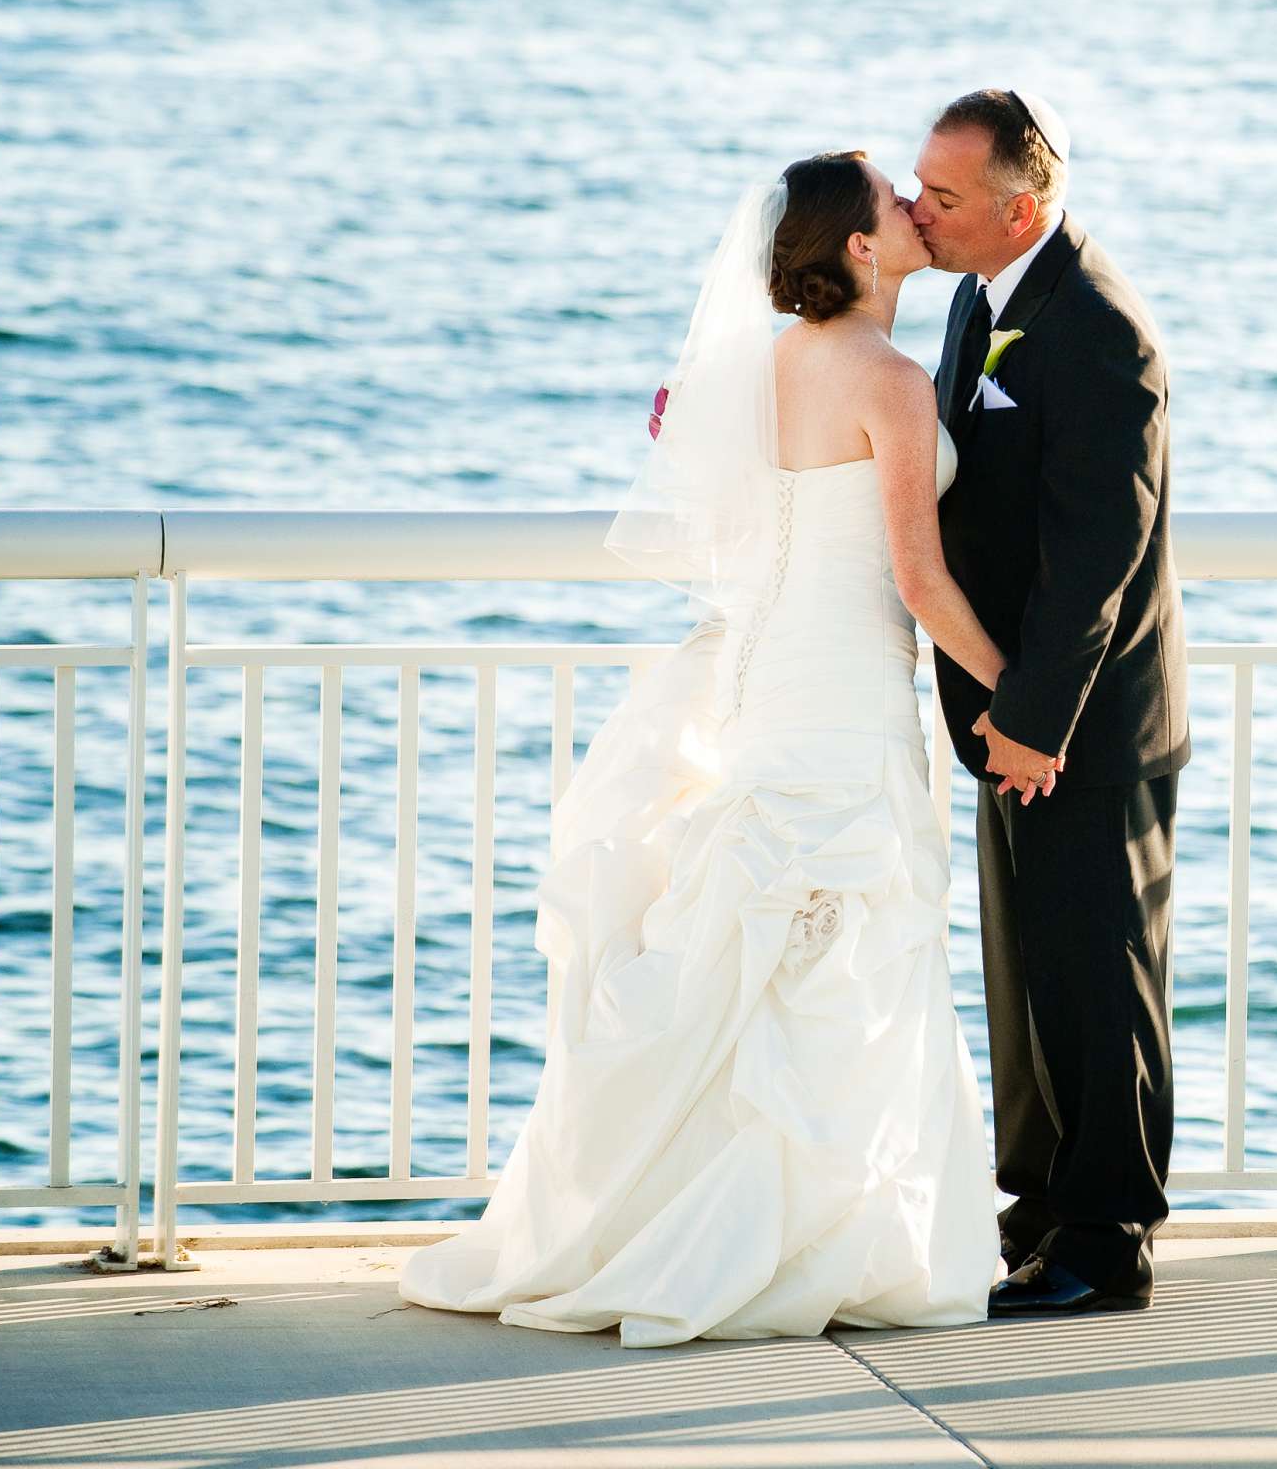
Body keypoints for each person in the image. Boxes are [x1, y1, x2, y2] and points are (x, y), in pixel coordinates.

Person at [398, 152, 1008, 1346]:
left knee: (758, 950)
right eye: (895, 200)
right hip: (841, 692)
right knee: (839, 956)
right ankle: (809, 1244)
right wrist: (1024, 694)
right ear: (857, 249)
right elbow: (921, 582)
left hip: (767, 681)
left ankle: (695, 1222)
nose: (915, 210)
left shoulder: (760, 366)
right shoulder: (886, 379)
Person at [914, 90, 1191, 1316]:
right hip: (1006, 710)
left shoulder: (1097, 328)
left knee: (1099, 971)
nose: (923, 212)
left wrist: (1034, 716)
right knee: (1028, 973)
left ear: (1020, 207)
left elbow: (1099, 552)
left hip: (1079, 721)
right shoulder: (982, 298)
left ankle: (1107, 1237)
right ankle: (1039, 1211)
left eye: (945, 197)